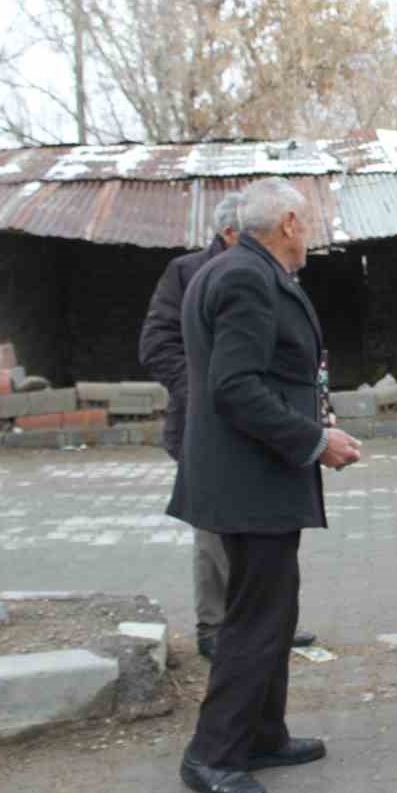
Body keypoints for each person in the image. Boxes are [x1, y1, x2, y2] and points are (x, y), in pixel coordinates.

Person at [166, 177, 362, 793]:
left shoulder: (240, 270)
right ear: (286, 223)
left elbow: (269, 377)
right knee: (254, 620)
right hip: (248, 481)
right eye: (308, 222)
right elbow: (234, 387)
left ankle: (262, 734)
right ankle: (213, 753)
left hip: (253, 479)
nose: (312, 233)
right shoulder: (246, 278)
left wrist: (315, 423)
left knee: (273, 610)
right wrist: (312, 441)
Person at [138, 192, 316, 661]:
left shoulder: (271, 272)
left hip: (261, 423)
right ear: (229, 232)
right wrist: (201, 393)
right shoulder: (199, 272)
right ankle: (218, 625)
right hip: (212, 426)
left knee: (265, 533)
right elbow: (158, 344)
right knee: (217, 531)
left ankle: (264, 621)